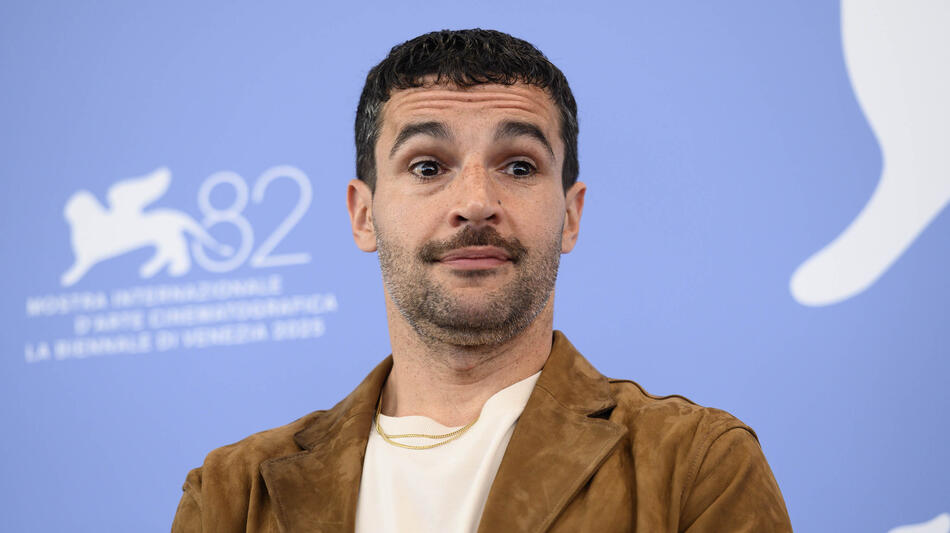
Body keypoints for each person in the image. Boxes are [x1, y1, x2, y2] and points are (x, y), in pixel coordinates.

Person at [171, 28, 793, 532]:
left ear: (571, 215)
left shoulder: (696, 465)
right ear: (364, 214)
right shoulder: (233, 496)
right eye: (427, 166)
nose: (475, 201)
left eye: (519, 165)